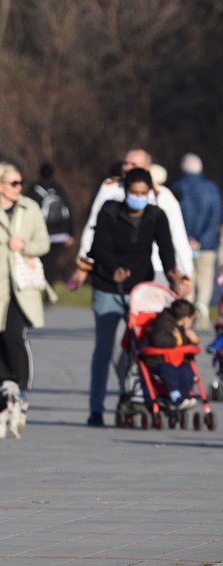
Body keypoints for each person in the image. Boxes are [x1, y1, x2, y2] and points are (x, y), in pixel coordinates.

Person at [82, 167, 184, 427]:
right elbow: (98, 247)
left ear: (150, 193)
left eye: (143, 193)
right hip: (108, 286)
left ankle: (130, 396)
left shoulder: (155, 215)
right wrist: (113, 268)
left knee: (137, 349)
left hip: (140, 289)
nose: (137, 197)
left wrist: (172, 270)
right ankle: (96, 407)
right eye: (133, 192)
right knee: (104, 349)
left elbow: (165, 247)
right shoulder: (110, 211)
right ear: (125, 191)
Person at [0, 162, 52, 434]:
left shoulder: (29, 208)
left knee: (13, 335)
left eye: (21, 182)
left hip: (21, 286)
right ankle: (2, 391)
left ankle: (19, 388)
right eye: (14, 183)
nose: (19, 187)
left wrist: (24, 245)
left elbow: (44, 243)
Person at [70, 148, 193, 293]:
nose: (127, 167)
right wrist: (83, 267)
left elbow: (177, 235)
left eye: (133, 164)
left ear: (148, 168)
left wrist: (185, 275)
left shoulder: (163, 196)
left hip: (154, 267)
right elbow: (93, 230)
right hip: (112, 266)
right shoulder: (109, 189)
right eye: (125, 163)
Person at [170, 153, 222, 332]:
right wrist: (201, 239)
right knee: (206, 277)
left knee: (186, 275)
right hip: (207, 245)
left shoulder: (177, 187)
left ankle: (187, 312)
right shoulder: (212, 188)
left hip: (183, 244)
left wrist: (187, 240)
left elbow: (173, 217)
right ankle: (202, 305)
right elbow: (215, 216)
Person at [145, 298, 199, 410]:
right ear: (185, 318)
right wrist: (176, 341)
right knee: (171, 372)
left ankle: (186, 396)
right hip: (160, 360)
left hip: (178, 360)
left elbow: (184, 344)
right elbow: (157, 339)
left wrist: (192, 340)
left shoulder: (183, 328)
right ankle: (176, 397)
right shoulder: (163, 322)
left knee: (187, 371)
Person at [25, 163, 75, 285]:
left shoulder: (34, 189)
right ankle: (50, 288)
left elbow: (26, 210)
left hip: (39, 234)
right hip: (60, 234)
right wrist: (71, 233)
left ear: (38, 174)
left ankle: (40, 287)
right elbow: (69, 210)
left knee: (40, 262)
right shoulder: (59, 188)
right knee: (52, 263)